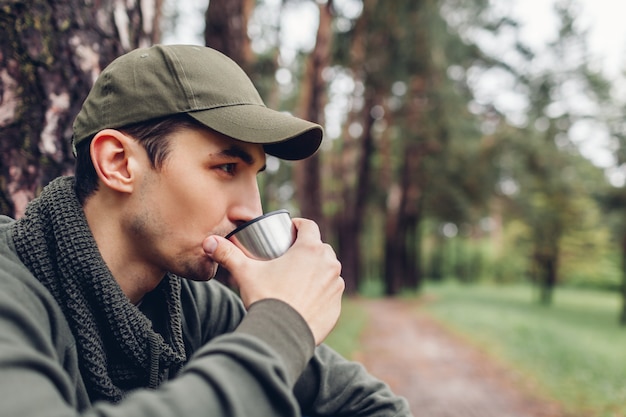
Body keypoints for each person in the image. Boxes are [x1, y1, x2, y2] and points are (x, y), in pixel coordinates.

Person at [0, 44, 412, 416]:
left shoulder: (194, 309)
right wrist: (281, 327)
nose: (253, 210)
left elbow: (375, 407)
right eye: (226, 168)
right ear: (119, 163)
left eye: (255, 175)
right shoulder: (11, 290)